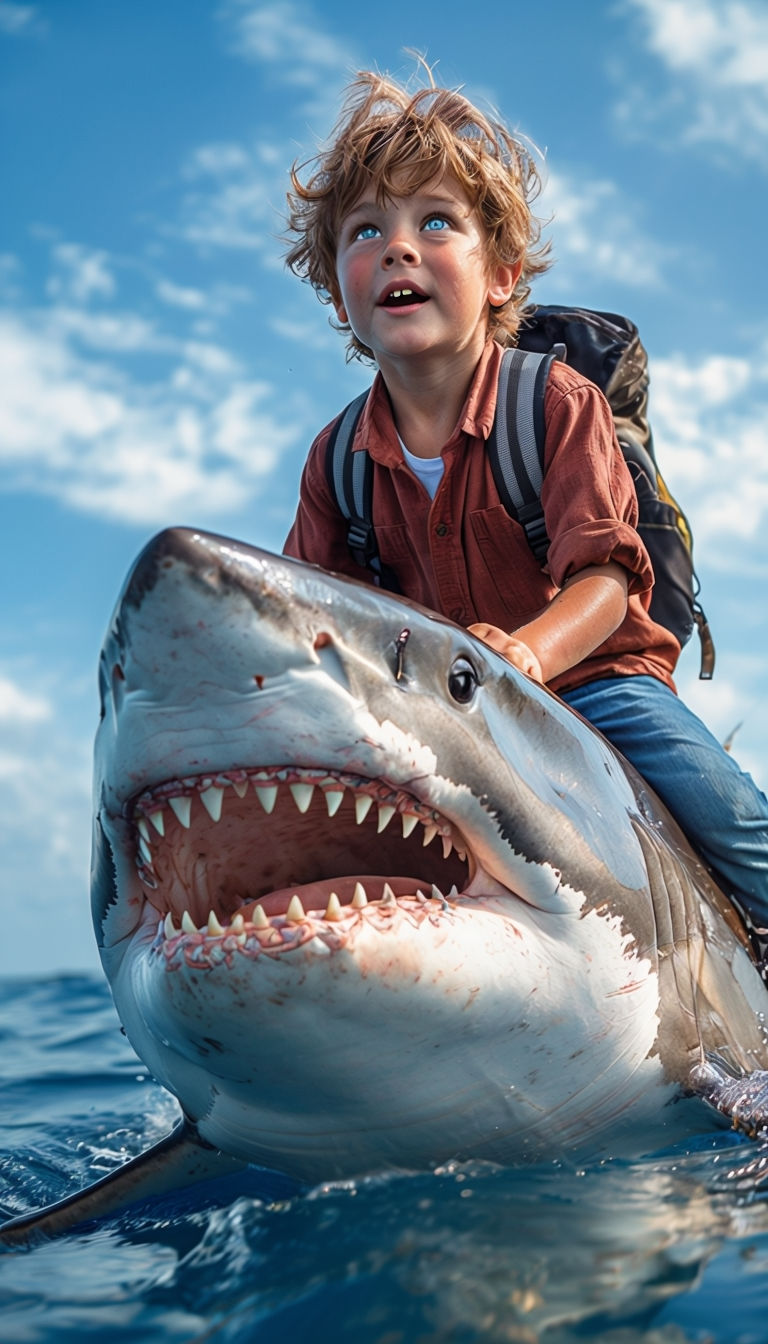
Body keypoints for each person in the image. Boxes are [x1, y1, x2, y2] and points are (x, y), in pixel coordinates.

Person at [282, 67, 768, 936]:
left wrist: (530, 659)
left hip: (592, 679)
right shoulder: (337, 459)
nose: (399, 246)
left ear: (502, 275)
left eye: (436, 222)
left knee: (737, 822)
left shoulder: (553, 402)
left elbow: (609, 581)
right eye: (366, 231)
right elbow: (314, 614)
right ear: (339, 290)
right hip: (444, 710)